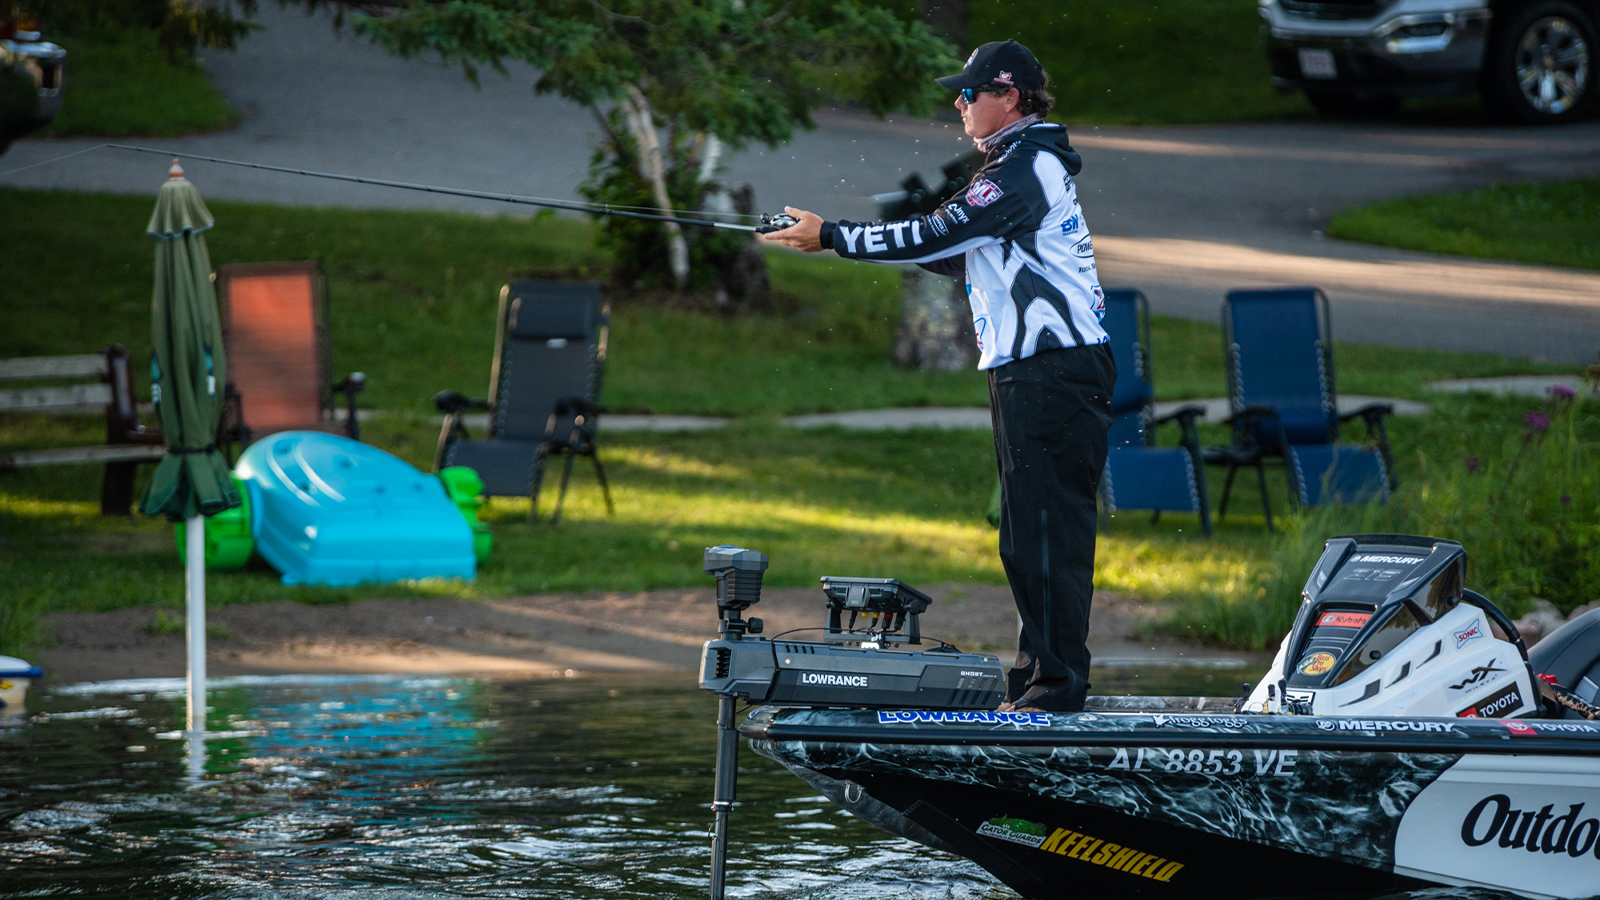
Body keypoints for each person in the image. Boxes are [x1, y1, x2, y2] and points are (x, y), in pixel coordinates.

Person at [764, 39, 1115, 713]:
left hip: (1052, 372)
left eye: (970, 93)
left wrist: (834, 236)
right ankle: (1041, 682)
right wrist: (884, 232)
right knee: (1027, 537)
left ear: (1008, 97)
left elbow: (942, 232)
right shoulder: (1018, 166)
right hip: (1036, 373)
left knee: (1046, 536)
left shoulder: (1022, 170)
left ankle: (1055, 691)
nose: (959, 104)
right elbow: (958, 254)